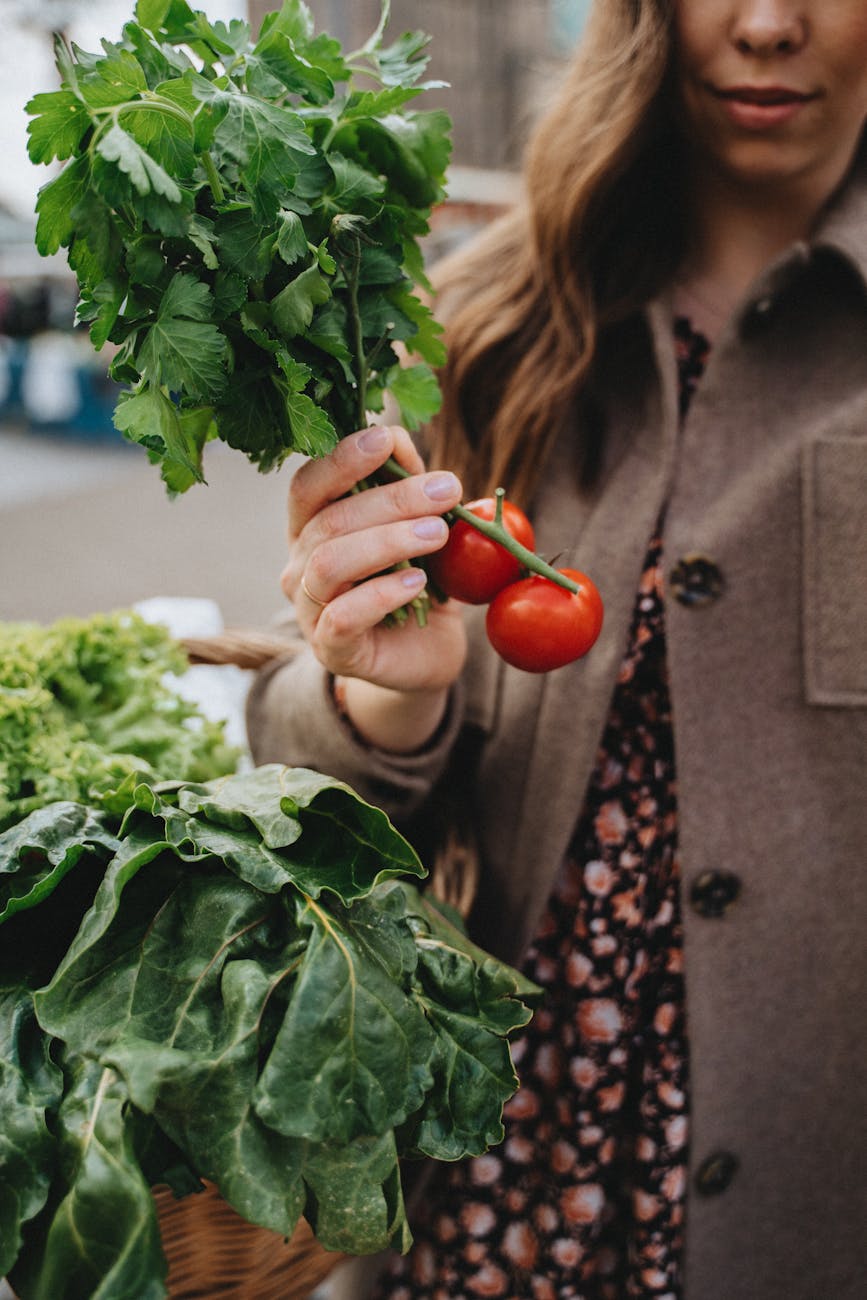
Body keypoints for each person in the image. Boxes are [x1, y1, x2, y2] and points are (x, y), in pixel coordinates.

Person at [246, 2, 867, 1296]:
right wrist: (384, 706)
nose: (768, 23)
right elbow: (320, 846)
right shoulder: (480, 323)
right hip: (494, 1177)